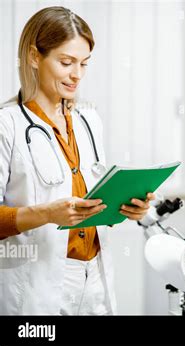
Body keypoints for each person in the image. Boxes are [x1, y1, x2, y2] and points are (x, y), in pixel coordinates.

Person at [0, 6, 154, 315]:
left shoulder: (88, 119)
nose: (77, 75)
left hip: (94, 276)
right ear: (34, 57)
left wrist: (127, 207)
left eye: (84, 63)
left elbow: (94, 200)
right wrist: (45, 213)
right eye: (66, 62)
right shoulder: (8, 125)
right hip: (37, 283)